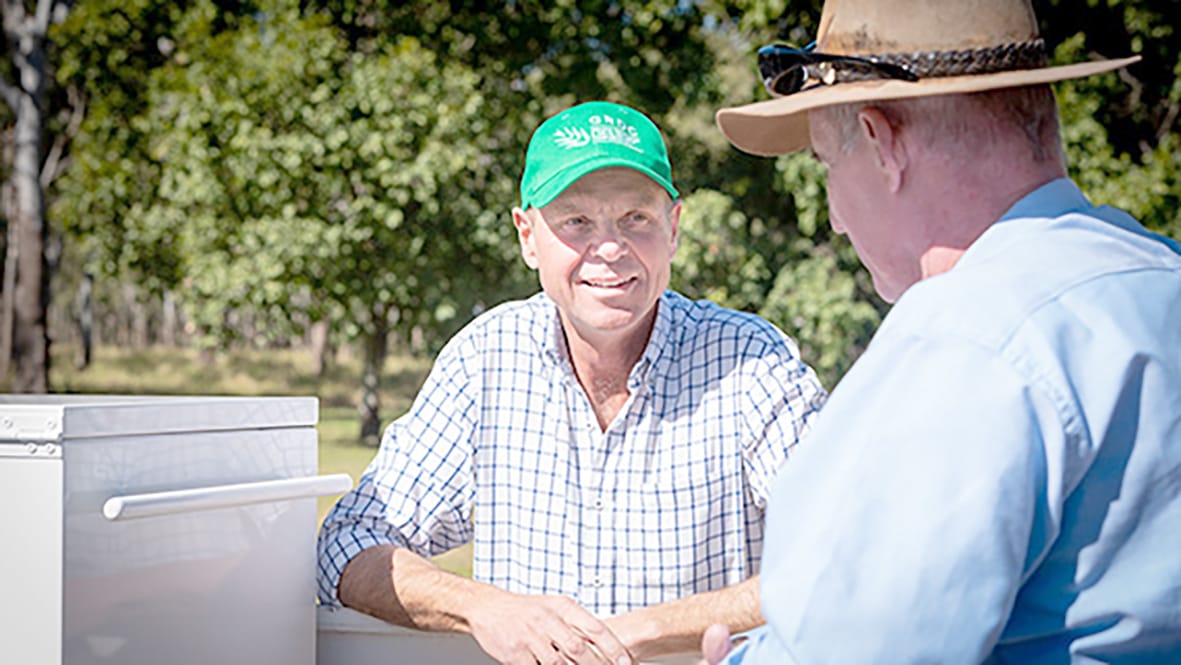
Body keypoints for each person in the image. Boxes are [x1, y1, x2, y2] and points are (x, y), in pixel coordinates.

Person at [702, 0, 1181, 662]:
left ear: (880, 141)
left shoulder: (962, 338)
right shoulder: (1158, 271)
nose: (835, 220)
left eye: (822, 163)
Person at [317, 100, 828, 665]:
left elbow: (842, 552)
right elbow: (347, 542)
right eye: (576, 222)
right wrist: (486, 608)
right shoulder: (484, 361)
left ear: (674, 227)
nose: (609, 249)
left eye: (636, 217)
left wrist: (639, 634)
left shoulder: (749, 362)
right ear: (527, 235)